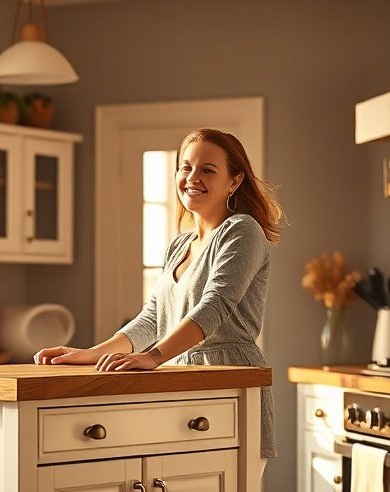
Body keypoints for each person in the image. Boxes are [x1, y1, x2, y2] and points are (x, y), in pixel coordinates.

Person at [34, 127, 283, 461]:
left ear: (234, 181)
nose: (192, 177)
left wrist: (153, 357)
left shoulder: (242, 231)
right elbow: (153, 318)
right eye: (186, 167)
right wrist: (92, 353)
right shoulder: (179, 245)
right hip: (178, 377)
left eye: (208, 169)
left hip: (228, 378)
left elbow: (216, 305)